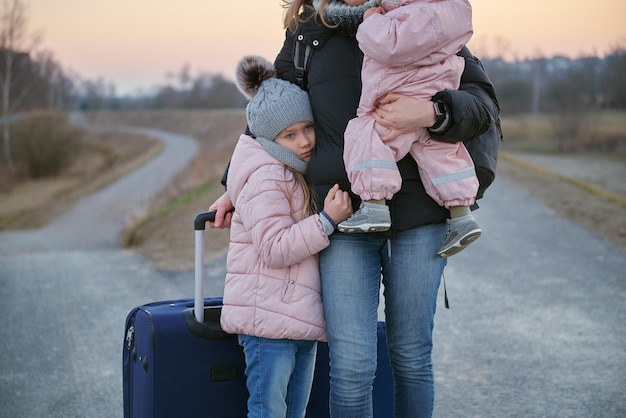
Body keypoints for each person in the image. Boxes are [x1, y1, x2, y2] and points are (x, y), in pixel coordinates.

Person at [210, 0, 501, 416]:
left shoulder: (416, 16)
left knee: (411, 357)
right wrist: (233, 184)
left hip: (421, 215)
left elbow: (483, 105)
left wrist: (431, 112)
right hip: (343, 216)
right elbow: (271, 111)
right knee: (350, 367)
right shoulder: (310, 32)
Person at [219, 54, 352, 418]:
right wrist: (327, 220)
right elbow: (275, 248)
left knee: (293, 412)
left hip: (295, 318)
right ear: (268, 139)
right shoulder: (267, 176)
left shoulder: (291, 168)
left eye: (307, 128)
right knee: (269, 412)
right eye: (290, 135)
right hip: (267, 323)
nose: (305, 140)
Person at [338, 0, 482, 258]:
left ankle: (374, 204)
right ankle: (461, 215)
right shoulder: (453, 11)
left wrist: (371, 20)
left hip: (397, 95)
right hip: (433, 91)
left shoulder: (411, 13)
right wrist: (433, 111)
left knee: (365, 134)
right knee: (442, 154)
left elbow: (389, 46)